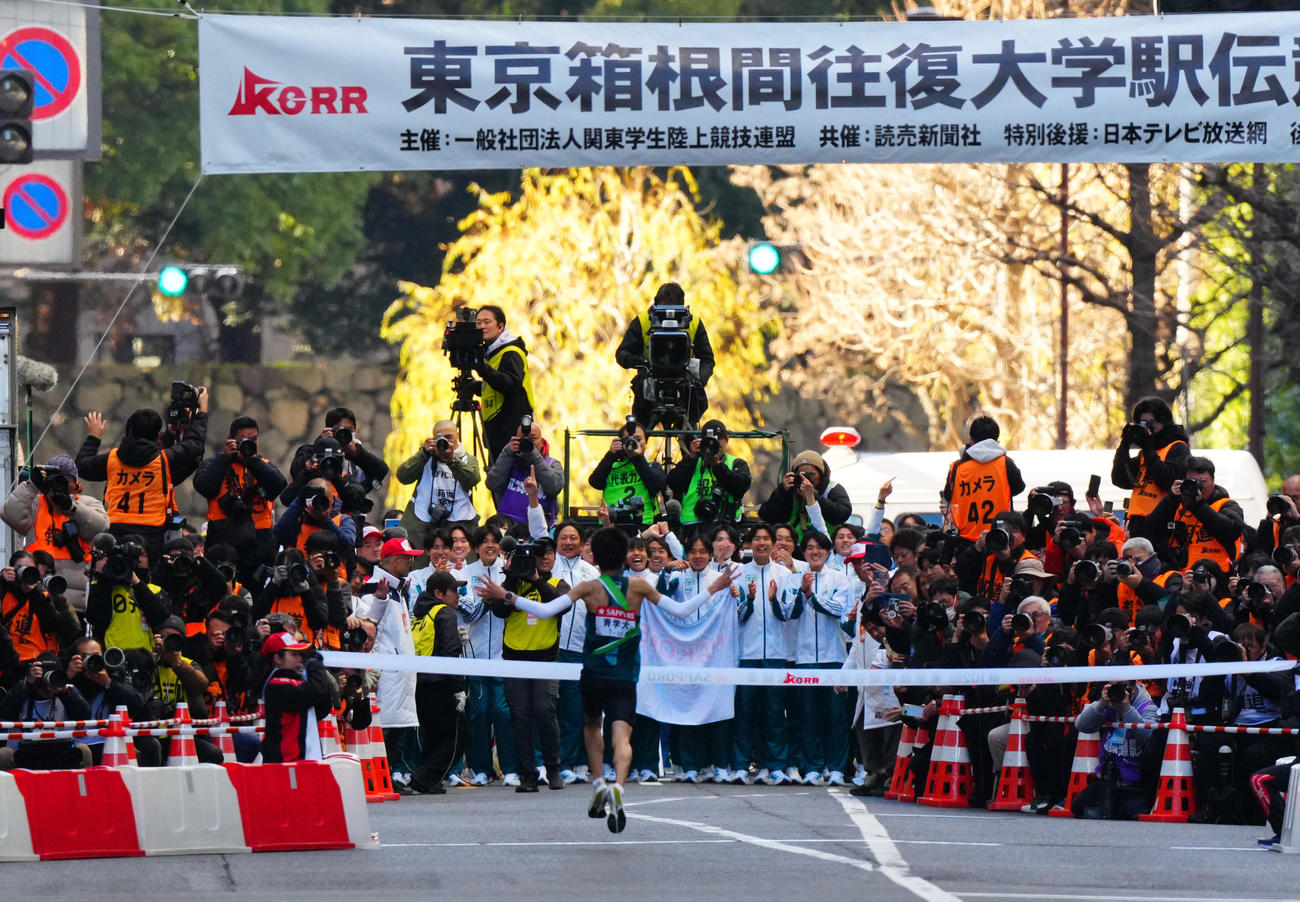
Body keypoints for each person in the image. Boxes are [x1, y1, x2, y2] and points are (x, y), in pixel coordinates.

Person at [485, 526, 736, 832]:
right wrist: (716, 586)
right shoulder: (640, 588)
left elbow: (547, 610)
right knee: (622, 736)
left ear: (598, 561)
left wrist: (507, 595)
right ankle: (618, 782)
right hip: (625, 676)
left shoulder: (589, 587)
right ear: (625, 556)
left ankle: (599, 780)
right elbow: (681, 612)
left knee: (592, 726)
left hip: (593, 673)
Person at [478, 539, 571, 792]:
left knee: (544, 712)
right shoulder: (510, 585)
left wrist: (534, 578)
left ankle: (553, 768)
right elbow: (499, 611)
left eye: (543, 556)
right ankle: (527, 774)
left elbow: (559, 606)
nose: (534, 562)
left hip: (546, 659)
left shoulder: (556, 584)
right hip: (515, 659)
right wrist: (510, 578)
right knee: (518, 717)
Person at [75, 389, 210, 560]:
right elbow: (194, 445)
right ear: (157, 435)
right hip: (152, 534)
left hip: (116, 530)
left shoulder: (112, 459)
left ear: (129, 432)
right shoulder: (165, 460)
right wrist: (201, 412)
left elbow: (82, 465)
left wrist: (93, 437)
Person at [353, 537, 422, 788]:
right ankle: (377, 776)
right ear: (394, 561)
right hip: (386, 671)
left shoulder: (398, 588)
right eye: (408, 558)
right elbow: (369, 625)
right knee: (384, 728)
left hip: (401, 669)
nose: (412, 562)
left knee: (397, 727)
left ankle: (389, 773)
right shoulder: (375, 588)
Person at [2, 454, 109, 611]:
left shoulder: (86, 503)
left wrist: (70, 506)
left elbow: (100, 528)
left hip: (75, 603)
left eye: (66, 480)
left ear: (75, 483)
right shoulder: (35, 503)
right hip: (36, 594)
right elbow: (10, 514)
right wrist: (31, 485)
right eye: (57, 479)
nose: (61, 484)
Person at [193, 416, 287, 585]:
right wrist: (225, 458)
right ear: (231, 439)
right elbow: (204, 486)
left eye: (254, 440)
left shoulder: (262, 464)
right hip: (224, 541)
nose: (249, 443)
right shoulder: (216, 464)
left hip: (259, 545)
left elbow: (278, 485)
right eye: (244, 439)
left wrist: (252, 461)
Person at [616, 281, 715, 430]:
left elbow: (707, 359)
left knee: (691, 442)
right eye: (665, 307)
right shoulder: (643, 322)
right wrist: (641, 362)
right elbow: (622, 353)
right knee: (638, 434)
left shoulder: (693, 323)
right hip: (649, 386)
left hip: (684, 388)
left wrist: (698, 379)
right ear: (656, 304)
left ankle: (690, 450)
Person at [408, 570, 468, 794]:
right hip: (440, 683)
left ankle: (425, 778)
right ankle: (425, 777)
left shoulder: (421, 613)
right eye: (454, 591)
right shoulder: (444, 613)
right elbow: (450, 654)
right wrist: (458, 689)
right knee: (458, 735)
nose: (458, 595)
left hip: (420, 682)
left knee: (434, 735)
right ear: (439, 593)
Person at [1111, 397, 1190, 541]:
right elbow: (1119, 479)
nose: (1147, 428)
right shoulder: (1148, 453)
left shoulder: (1177, 447)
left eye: (1151, 423)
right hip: (1138, 523)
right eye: (1142, 423)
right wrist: (1125, 445)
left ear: (1164, 422)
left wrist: (1148, 448)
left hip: (1162, 524)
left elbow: (1168, 480)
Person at [1146, 456, 1244, 573]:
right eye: (1192, 482)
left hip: (1216, 576)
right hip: (1179, 574)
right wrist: (1171, 498)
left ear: (1213, 480)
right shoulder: (1176, 504)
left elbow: (1232, 530)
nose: (1198, 487)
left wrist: (1198, 505)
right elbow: (1150, 529)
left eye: (1202, 482)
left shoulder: (1226, 504)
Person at [395, 420, 480, 550]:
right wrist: (423, 453)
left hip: (459, 522)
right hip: (423, 520)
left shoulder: (468, 460)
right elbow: (403, 476)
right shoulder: (426, 458)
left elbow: (472, 479)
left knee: (457, 566)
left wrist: (452, 459)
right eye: (439, 438)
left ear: (458, 435)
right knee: (419, 566)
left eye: (449, 437)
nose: (445, 442)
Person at [942, 415, 1025, 544]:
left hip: (965, 539)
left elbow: (949, 496)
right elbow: (1019, 487)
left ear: (970, 439)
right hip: (1000, 537)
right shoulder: (1006, 463)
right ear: (997, 439)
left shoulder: (957, 467)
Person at [260, 630, 338, 763]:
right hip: (284, 762)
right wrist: (316, 665)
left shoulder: (298, 683)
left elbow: (322, 708)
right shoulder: (276, 685)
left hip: (302, 761)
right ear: (277, 658)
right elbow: (314, 692)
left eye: (300, 655)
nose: (300, 659)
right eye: (294, 654)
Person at [473, 305, 534, 463]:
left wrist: (482, 368)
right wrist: (475, 387)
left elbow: (511, 384)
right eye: (478, 322)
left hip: (512, 436)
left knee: (507, 484)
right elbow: (495, 388)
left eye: (487, 322)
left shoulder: (510, 352)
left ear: (501, 326)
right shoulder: (492, 354)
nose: (482, 326)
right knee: (496, 483)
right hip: (497, 436)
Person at [666, 419, 752, 528]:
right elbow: (674, 483)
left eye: (717, 443)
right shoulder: (692, 462)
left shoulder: (736, 463)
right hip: (693, 524)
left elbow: (741, 486)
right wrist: (691, 458)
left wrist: (717, 464)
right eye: (709, 442)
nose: (713, 447)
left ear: (727, 439)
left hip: (724, 525)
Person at [757, 449, 852, 544]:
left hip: (825, 546)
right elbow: (767, 516)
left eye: (811, 474)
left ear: (821, 474)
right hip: (795, 548)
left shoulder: (831, 488)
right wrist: (782, 492)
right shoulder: (790, 489)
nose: (806, 479)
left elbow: (841, 515)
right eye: (802, 475)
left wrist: (813, 495)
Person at [486, 418, 564, 529]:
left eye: (533, 438)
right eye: (523, 439)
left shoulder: (552, 464)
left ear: (542, 442)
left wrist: (535, 458)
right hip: (507, 527)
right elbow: (492, 484)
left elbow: (553, 488)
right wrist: (506, 452)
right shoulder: (509, 460)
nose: (528, 442)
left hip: (540, 527)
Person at [589, 419, 665, 529]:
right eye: (628, 440)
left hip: (643, 523)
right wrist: (611, 455)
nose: (633, 443)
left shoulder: (651, 466)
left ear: (646, 441)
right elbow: (595, 482)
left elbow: (657, 485)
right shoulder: (611, 466)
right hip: (611, 523)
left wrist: (637, 458)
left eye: (638, 439)